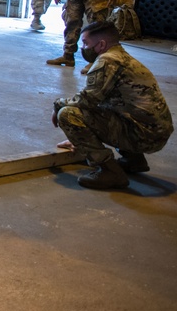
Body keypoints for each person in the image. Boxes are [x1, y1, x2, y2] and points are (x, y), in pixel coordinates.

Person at [52, 21, 173, 190]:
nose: (83, 47)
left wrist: (59, 105)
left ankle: (109, 172)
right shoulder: (122, 56)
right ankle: (134, 160)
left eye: (86, 43)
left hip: (143, 136)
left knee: (67, 114)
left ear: (101, 44)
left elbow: (87, 100)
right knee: (109, 107)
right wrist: (81, 138)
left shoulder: (106, 61)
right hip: (155, 132)